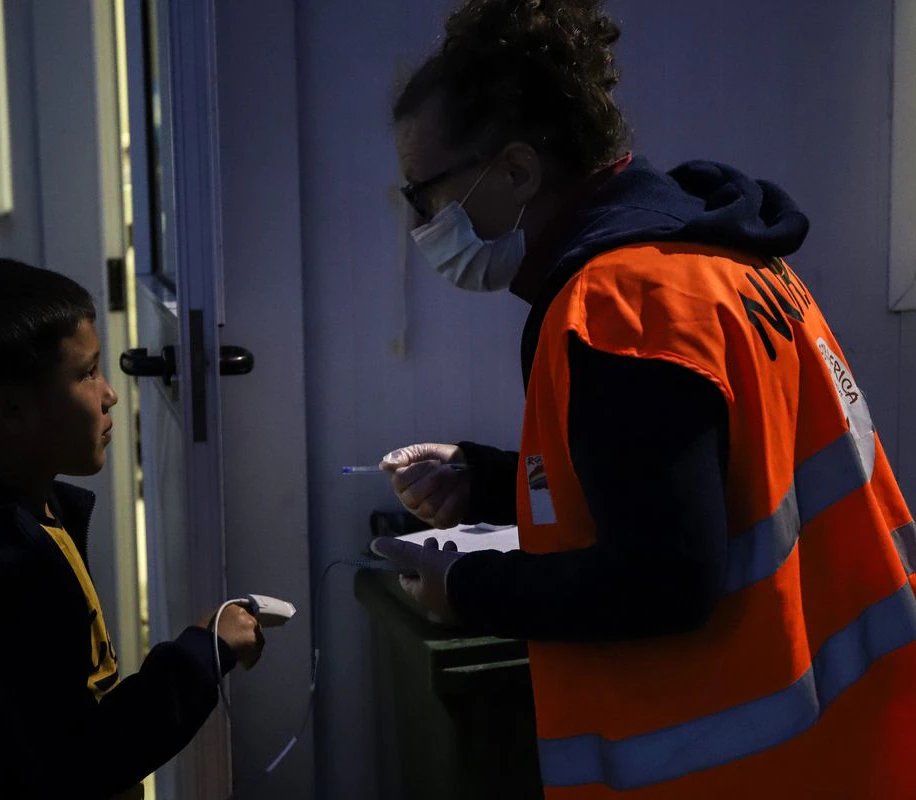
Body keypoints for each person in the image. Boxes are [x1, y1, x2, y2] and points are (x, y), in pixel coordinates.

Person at [369, 1, 916, 797]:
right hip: (856, 738)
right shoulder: (723, 261)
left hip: (744, 768)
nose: (419, 222)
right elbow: (689, 483)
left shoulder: (622, 306)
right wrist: (485, 479)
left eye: (423, 193)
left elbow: (661, 577)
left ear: (517, 171)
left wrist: (466, 590)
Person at [0, 256, 265, 799]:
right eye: (87, 373)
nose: (110, 393)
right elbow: (90, 755)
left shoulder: (33, 512)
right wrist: (205, 652)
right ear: (11, 410)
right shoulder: (6, 568)